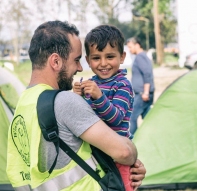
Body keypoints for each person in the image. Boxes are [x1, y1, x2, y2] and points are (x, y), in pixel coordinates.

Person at [6, 20, 146, 191]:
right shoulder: (65, 102)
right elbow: (124, 152)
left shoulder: (24, 103)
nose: (80, 68)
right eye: (77, 60)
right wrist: (132, 156)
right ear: (55, 62)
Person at [73, 24, 134, 191]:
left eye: (110, 56)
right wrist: (76, 97)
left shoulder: (122, 85)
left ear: (122, 57)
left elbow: (116, 117)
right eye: (96, 58)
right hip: (94, 156)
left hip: (116, 156)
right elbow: (83, 116)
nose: (103, 63)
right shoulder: (90, 84)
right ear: (87, 60)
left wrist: (99, 96)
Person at [126, 37, 155, 135]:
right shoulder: (142, 56)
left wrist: (146, 92)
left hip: (143, 94)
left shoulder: (140, 57)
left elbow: (147, 74)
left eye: (130, 47)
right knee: (148, 119)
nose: (129, 50)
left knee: (131, 117)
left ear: (137, 45)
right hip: (144, 94)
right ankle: (151, 137)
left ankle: (131, 141)